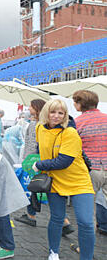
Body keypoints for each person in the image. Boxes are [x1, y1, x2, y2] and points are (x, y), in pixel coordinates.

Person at [32, 99, 95, 260]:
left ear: (65, 115)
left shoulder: (70, 133)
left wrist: (40, 164)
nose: (56, 116)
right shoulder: (39, 128)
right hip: (55, 180)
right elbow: (40, 148)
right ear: (46, 112)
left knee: (86, 222)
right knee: (57, 218)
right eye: (53, 112)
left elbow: (63, 161)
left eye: (61, 113)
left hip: (79, 181)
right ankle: (53, 252)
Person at [73, 90, 107, 236]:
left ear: (80, 104)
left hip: (90, 170)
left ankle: (86, 246)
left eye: (75, 101)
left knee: (88, 211)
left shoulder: (77, 122)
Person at [16, 99, 46, 227]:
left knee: (32, 187)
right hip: (41, 159)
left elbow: (32, 143)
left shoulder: (35, 124)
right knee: (39, 189)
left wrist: (27, 161)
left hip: (33, 160)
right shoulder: (44, 123)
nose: (29, 109)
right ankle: (64, 221)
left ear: (37, 108)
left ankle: (31, 215)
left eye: (31, 106)